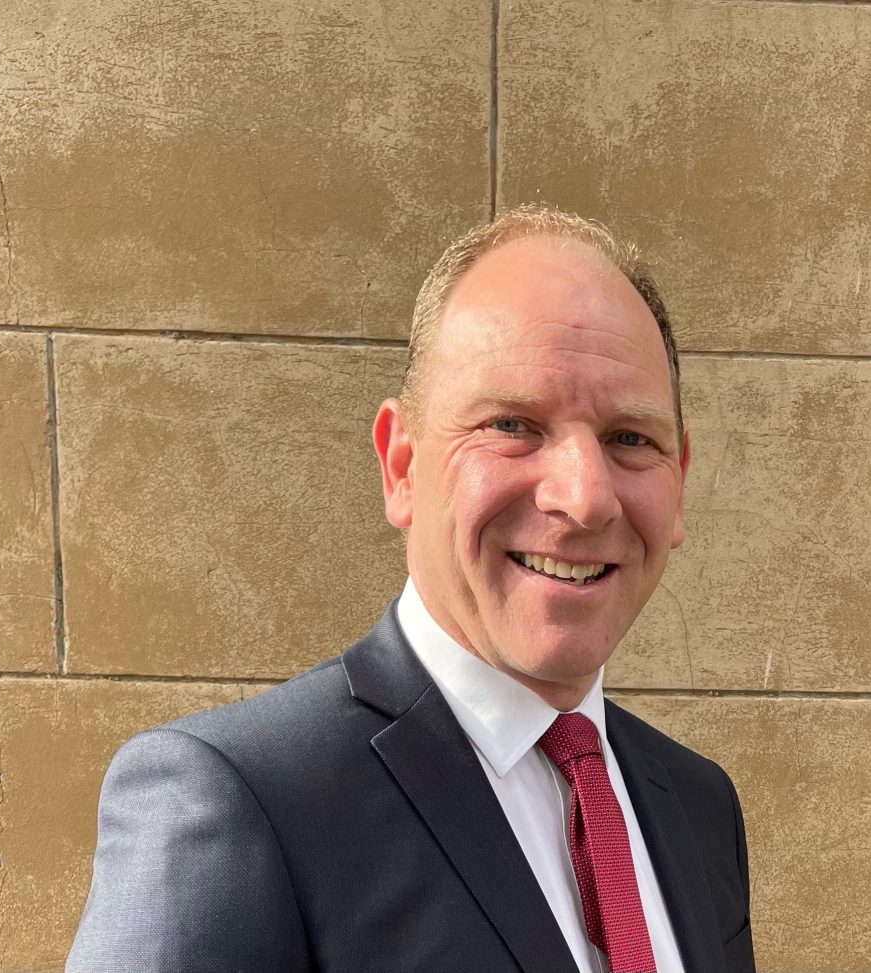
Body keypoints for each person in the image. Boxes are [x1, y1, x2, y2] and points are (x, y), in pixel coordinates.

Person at [66, 205, 755, 973]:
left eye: (631, 438)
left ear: (681, 481)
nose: (586, 496)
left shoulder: (697, 808)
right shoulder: (241, 802)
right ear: (401, 466)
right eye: (513, 425)